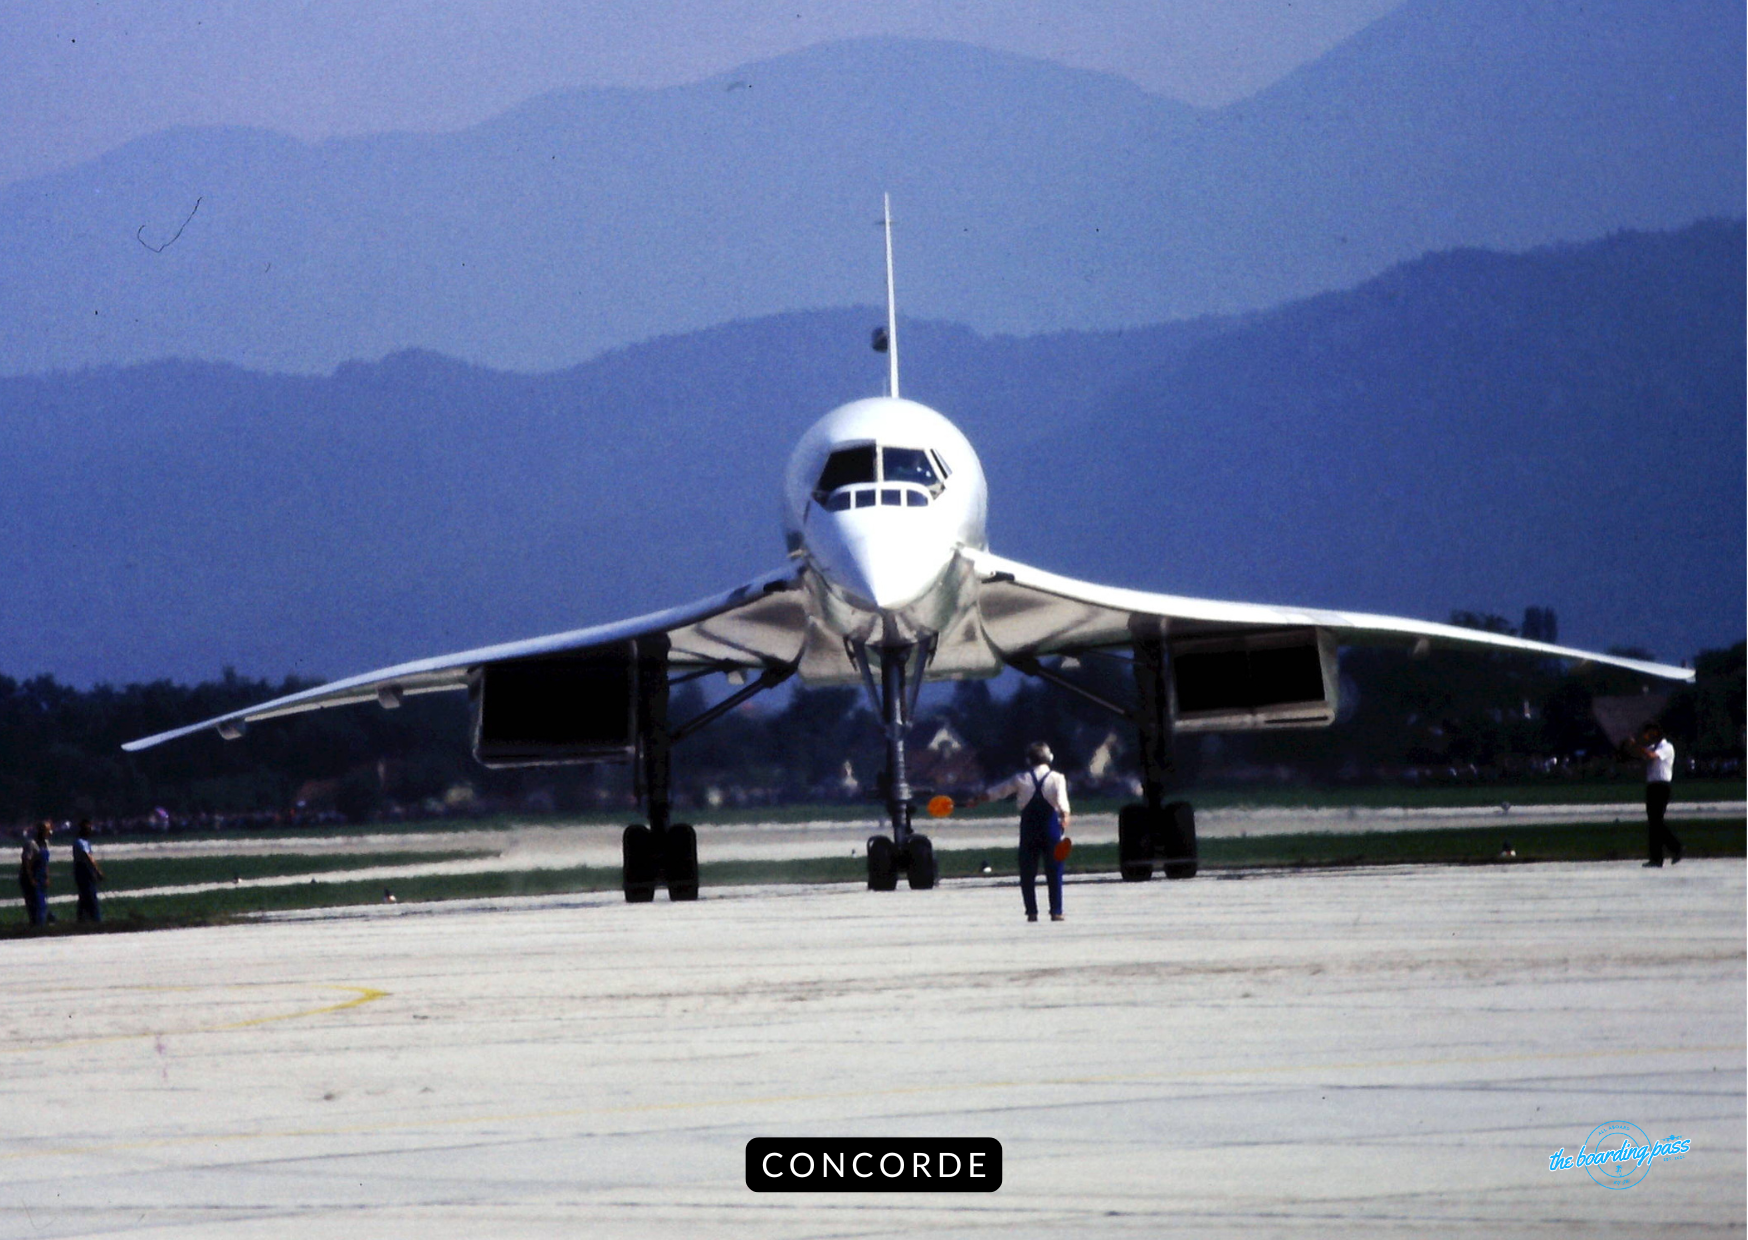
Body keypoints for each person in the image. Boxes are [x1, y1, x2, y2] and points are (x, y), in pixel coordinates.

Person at [968, 742, 1072, 922]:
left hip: (1029, 829)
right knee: (1055, 871)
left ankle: (1031, 911)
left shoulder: (1020, 778)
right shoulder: (1057, 778)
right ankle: (1056, 910)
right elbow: (1063, 804)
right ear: (1049, 758)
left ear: (1029, 760)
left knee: (1027, 871)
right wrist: (1065, 818)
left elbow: (997, 792)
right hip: (1051, 829)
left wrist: (977, 800)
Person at [1625, 722, 1680, 867]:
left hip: (1662, 786)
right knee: (1654, 823)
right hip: (1652, 786)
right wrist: (1632, 746)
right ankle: (1657, 858)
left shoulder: (1666, 747)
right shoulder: (1653, 746)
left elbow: (1650, 756)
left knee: (1656, 821)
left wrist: (1636, 744)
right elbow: (1640, 754)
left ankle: (1676, 848)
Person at [72, 819, 104, 923]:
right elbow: (88, 857)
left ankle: (81, 919)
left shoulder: (84, 842)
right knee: (90, 896)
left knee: (84, 897)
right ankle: (96, 919)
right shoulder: (80, 842)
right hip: (83, 871)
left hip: (85, 871)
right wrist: (98, 871)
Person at [19, 821, 50, 926]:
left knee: (42, 903)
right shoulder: (31, 844)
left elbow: (45, 863)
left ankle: (40, 923)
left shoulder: (45, 844)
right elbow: (26, 862)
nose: (49, 833)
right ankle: (36, 924)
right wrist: (31, 879)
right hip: (31, 877)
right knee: (34, 903)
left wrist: (46, 877)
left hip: (41, 877)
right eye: (47, 830)